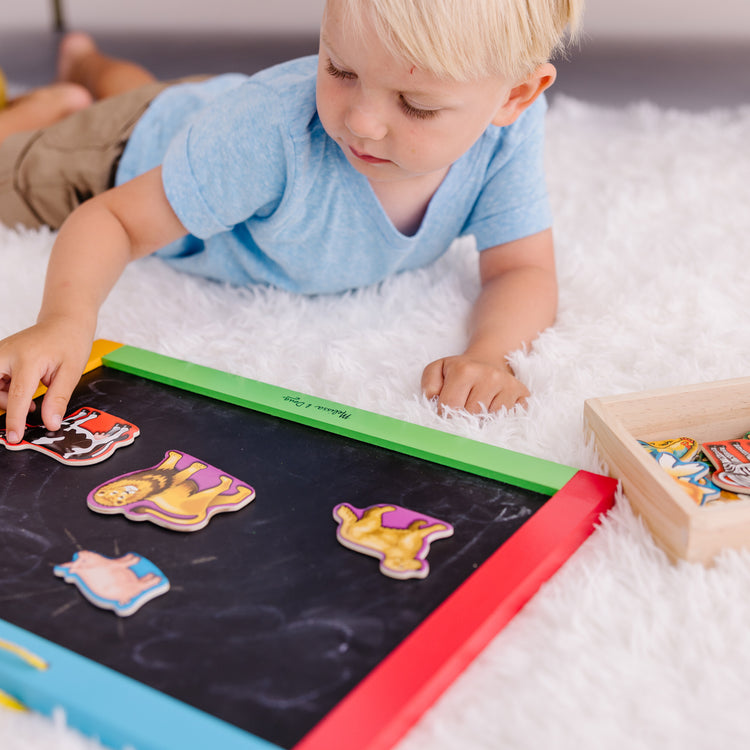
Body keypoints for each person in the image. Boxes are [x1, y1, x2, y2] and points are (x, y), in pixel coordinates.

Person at [0, 0, 581, 444]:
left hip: (208, 119)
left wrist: (490, 354)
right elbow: (114, 220)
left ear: (516, 96)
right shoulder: (270, 131)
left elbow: (521, 267)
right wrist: (64, 321)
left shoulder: (507, 133)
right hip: (123, 151)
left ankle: (85, 68)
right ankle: (43, 109)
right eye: (340, 69)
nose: (361, 122)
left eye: (416, 105)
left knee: (152, 95)